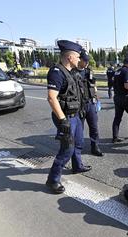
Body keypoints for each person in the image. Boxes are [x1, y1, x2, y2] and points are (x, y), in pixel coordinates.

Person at [46, 40, 91, 194]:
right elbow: (52, 98)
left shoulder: (71, 72)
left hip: (76, 115)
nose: (80, 59)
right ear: (70, 57)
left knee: (78, 143)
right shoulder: (56, 72)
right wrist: (62, 119)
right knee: (67, 149)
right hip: (66, 118)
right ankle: (53, 180)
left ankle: (77, 166)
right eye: (78, 57)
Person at [74, 49, 104, 157]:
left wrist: (97, 99)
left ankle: (95, 147)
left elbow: (94, 86)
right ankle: (78, 150)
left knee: (94, 127)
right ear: (79, 59)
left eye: (87, 61)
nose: (86, 63)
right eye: (85, 60)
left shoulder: (88, 71)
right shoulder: (73, 72)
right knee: (79, 130)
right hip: (79, 105)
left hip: (90, 103)